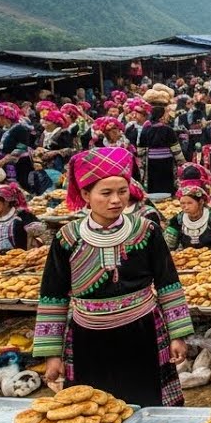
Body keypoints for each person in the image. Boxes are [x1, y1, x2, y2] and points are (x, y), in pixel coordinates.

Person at [33, 147, 191, 407]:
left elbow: (168, 283)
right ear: (85, 194)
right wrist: (51, 354)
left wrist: (178, 334)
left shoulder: (146, 230)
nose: (116, 200)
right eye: (105, 193)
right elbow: (53, 296)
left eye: (122, 191)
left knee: (147, 404)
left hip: (142, 333)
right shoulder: (67, 238)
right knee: (93, 411)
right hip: (88, 339)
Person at [162, 164, 211, 253]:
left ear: (201, 202)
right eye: (182, 203)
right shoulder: (177, 220)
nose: (185, 207)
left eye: (189, 203)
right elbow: (167, 246)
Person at [137, 106, 185, 195]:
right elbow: (176, 150)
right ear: (161, 116)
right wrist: (182, 163)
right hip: (166, 164)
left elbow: (141, 151)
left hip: (151, 164)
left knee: (154, 186)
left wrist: (141, 166)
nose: (168, 115)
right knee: (167, 186)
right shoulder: (169, 130)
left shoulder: (146, 130)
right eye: (166, 113)